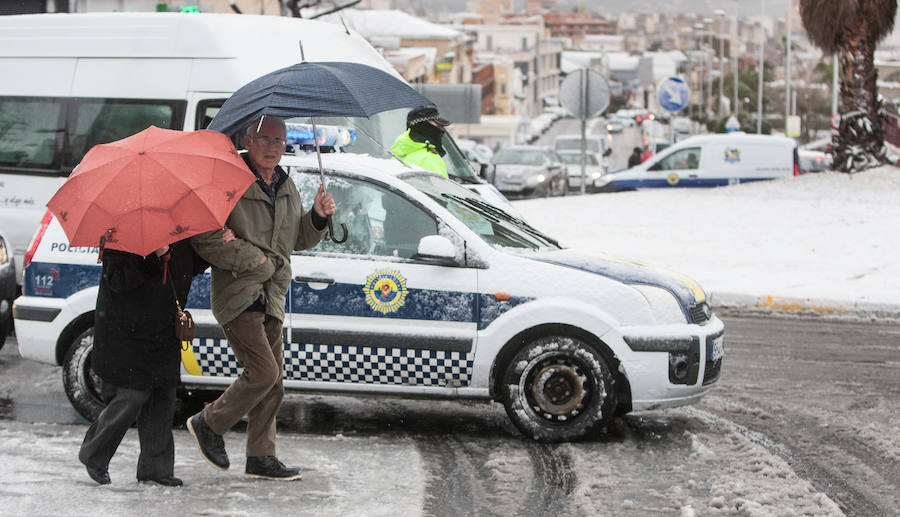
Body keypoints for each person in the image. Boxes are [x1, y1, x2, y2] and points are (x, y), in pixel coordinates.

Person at [187, 116, 335, 481]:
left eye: (279, 142)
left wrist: (316, 217)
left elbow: (296, 238)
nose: (272, 147)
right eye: (264, 139)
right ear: (247, 140)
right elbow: (205, 237)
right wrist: (254, 260)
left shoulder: (285, 185)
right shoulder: (227, 181)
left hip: (273, 293)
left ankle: (261, 457)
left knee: (274, 381)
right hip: (240, 292)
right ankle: (209, 422)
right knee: (263, 372)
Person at [79, 237, 219, 486]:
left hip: (163, 329)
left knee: (162, 399)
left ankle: (156, 470)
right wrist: (152, 256)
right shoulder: (123, 236)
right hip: (129, 332)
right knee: (132, 397)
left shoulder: (178, 230)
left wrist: (211, 250)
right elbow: (120, 281)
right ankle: (94, 454)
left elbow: (189, 266)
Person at [390, 106, 451, 178]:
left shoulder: (397, 156)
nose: (443, 130)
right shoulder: (430, 157)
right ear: (424, 127)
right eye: (439, 126)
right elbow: (443, 188)